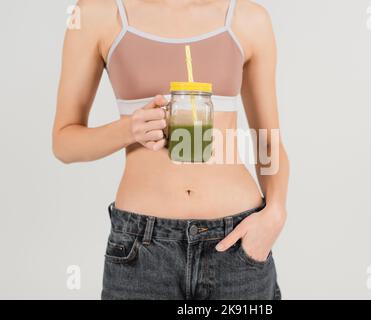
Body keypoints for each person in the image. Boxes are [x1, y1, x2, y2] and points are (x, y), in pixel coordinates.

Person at [53, 0, 289, 300]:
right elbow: (63, 142)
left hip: (237, 243)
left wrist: (276, 214)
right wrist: (128, 130)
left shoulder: (247, 18)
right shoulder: (95, 14)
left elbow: (268, 140)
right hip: (141, 248)